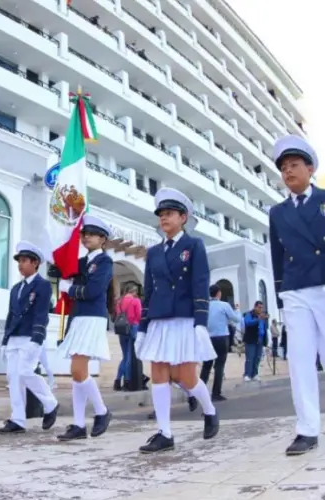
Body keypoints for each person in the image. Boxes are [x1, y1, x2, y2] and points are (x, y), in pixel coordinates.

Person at [269, 135, 325, 456]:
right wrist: (280, 297)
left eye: (293, 165)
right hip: (295, 290)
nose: (288, 172)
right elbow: (277, 254)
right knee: (300, 359)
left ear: (310, 168)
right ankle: (307, 429)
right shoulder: (277, 212)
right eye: (283, 168)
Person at [135, 187, 219, 454]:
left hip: (184, 318)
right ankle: (165, 432)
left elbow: (200, 283)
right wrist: (143, 327)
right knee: (158, 372)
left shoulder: (193, 245)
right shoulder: (154, 252)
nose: (164, 219)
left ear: (183, 217)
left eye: (169, 213)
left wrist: (201, 322)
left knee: (185, 376)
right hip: (160, 319)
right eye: (161, 214)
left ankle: (209, 410)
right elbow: (148, 291)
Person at [55, 214, 116, 442]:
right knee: (78, 374)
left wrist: (69, 290)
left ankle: (101, 411)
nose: (86, 237)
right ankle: (79, 424)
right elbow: (65, 266)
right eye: (85, 234)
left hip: (92, 317)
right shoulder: (82, 263)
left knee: (78, 370)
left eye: (92, 234)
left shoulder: (104, 262)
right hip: (79, 317)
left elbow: (92, 291)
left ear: (103, 239)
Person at [0, 241, 59, 434]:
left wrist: (37, 339)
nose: (20, 264)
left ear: (35, 263)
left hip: (30, 337)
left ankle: (51, 404)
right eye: (19, 261)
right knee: (13, 378)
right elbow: (11, 315)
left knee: (25, 372)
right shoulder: (16, 288)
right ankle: (18, 419)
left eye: (24, 260)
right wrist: (5, 340)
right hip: (15, 337)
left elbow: (41, 314)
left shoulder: (43, 285)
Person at [200, 283, 240, 401]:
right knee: (219, 365)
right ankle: (216, 393)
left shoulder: (205, 305)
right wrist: (236, 310)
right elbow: (236, 319)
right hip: (222, 337)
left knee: (206, 366)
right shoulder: (224, 305)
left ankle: (199, 392)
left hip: (208, 337)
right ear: (218, 293)